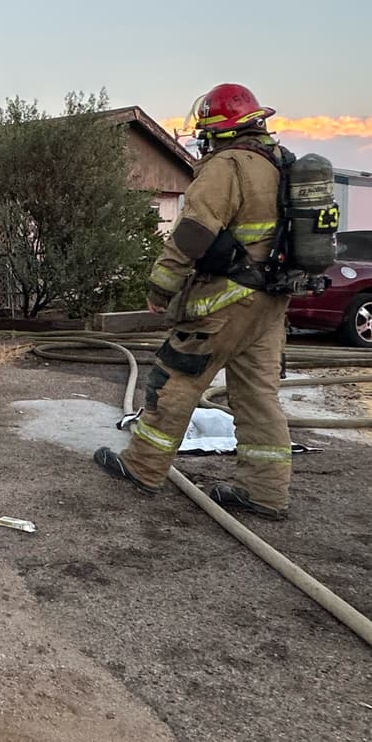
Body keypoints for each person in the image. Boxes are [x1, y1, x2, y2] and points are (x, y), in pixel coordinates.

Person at [94, 83, 294, 520]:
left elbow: (193, 234)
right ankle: (266, 493)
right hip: (270, 304)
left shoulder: (228, 166)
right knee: (259, 398)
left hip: (226, 301)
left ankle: (143, 467)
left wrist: (161, 288)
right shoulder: (280, 164)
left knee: (175, 381)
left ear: (218, 130)